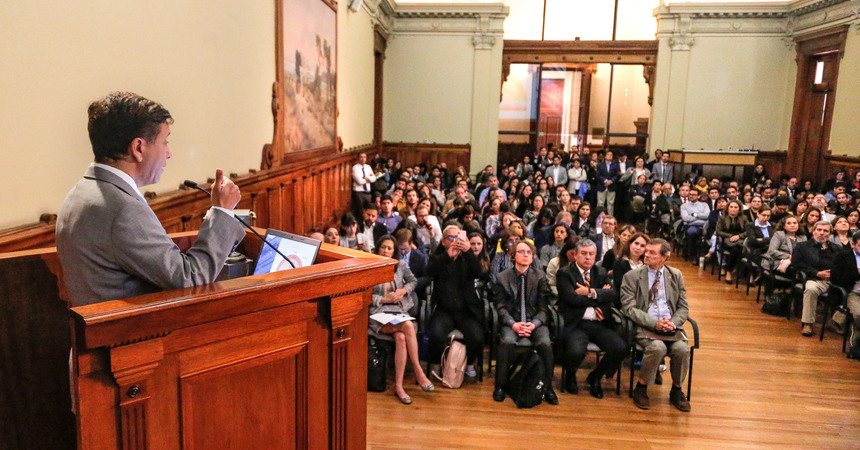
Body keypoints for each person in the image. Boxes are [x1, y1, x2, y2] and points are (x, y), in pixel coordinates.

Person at [56, 92, 246, 307]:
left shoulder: (81, 191)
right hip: (137, 336)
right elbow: (189, 280)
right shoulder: (123, 209)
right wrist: (222, 211)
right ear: (138, 148)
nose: (168, 153)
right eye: (164, 142)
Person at [620, 238, 691, 412]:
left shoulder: (675, 275)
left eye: (652, 252)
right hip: (645, 325)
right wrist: (654, 323)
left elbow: (683, 307)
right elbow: (629, 308)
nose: (647, 254)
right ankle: (642, 387)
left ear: (664, 257)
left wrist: (672, 323)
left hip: (670, 326)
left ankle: (676, 389)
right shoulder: (633, 276)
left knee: (682, 349)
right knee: (658, 348)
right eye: (647, 250)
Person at [556, 239, 627, 398]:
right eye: (584, 254)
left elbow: (614, 294)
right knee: (575, 351)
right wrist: (600, 294)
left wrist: (589, 292)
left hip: (599, 323)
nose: (588, 257)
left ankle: (595, 376)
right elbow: (571, 299)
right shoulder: (565, 273)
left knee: (620, 348)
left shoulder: (601, 272)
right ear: (575, 255)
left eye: (591, 254)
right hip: (577, 324)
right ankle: (571, 376)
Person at [370, 235, 434, 404]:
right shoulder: (369, 267)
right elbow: (363, 294)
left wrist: (403, 291)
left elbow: (413, 281)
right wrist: (383, 299)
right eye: (383, 247)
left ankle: (399, 386)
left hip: (397, 311)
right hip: (377, 313)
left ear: (394, 252)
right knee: (408, 326)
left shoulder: (401, 266)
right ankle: (418, 371)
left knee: (401, 337)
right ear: (378, 248)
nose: (386, 250)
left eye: (389, 248)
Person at [491, 241, 557, 404]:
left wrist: (533, 324)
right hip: (512, 321)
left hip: (534, 321)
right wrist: (513, 324)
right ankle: (500, 385)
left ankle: (547, 387)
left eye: (529, 252)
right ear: (513, 256)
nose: (526, 255)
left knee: (545, 343)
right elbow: (500, 307)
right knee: (506, 341)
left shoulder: (540, 276)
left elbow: (544, 307)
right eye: (521, 251)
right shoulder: (502, 277)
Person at [427, 225, 486, 379]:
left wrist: (467, 252)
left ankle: (469, 363)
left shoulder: (468, 258)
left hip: (466, 310)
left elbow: (479, 272)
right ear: (443, 241)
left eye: (457, 237)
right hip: (444, 309)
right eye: (450, 238)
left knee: (477, 335)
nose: (454, 241)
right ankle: (435, 363)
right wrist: (447, 256)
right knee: (436, 333)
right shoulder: (438, 257)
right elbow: (429, 271)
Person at [792, 220, 838, 337]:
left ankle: (837, 321)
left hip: (835, 280)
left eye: (825, 231)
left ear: (830, 234)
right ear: (813, 231)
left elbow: (844, 265)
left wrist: (834, 273)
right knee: (811, 290)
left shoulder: (837, 248)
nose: (822, 233)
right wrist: (817, 273)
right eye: (819, 230)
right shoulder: (802, 246)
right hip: (814, 278)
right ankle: (808, 323)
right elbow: (796, 264)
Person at [829, 232, 860, 358]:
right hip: (852, 292)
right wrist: (857, 273)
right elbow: (835, 278)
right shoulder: (843, 256)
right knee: (859, 315)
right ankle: (856, 345)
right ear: (853, 244)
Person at [716, 200, 748, 284]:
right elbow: (718, 231)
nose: (733, 209)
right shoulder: (722, 218)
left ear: (739, 209)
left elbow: (748, 231)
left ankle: (733, 270)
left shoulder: (744, 218)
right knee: (736, 249)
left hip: (740, 240)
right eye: (731, 207)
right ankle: (729, 272)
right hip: (726, 240)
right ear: (728, 208)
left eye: (735, 207)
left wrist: (739, 236)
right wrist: (730, 236)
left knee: (739, 249)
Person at [680, 189, 709, 263]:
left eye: (694, 195)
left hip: (705, 226)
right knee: (691, 232)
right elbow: (685, 218)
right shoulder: (684, 206)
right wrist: (700, 217)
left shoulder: (704, 205)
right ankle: (693, 255)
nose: (691, 196)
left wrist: (694, 215)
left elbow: (707, 215)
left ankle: (706, 256)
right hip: (692, 226)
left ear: (698, 196)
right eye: (690, 194)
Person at [351, 152, 376, 217]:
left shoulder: (368, 167)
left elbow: (374, 178)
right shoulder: (355, 168)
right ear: (358, 158)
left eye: (364, 157)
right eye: (361, 157)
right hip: (359, 193)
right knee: (360, 213)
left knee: (368, 211)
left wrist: (365, 178)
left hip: (368, 193)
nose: (363, 159)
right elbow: (360, 181)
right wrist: (368, 179)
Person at [596, 150, 620, 216]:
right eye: (608, 154)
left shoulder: (615, 165)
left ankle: (610, 217)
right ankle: (599, 218)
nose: (609, 156)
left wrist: (611, 181)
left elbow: (617, 175)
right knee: (600, 203)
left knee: (611, 203)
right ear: (605, 156)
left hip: (612, 186)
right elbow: (598, 175)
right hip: (601, 185)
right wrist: (605, 181)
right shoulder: (600, 165)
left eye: (611, 155)